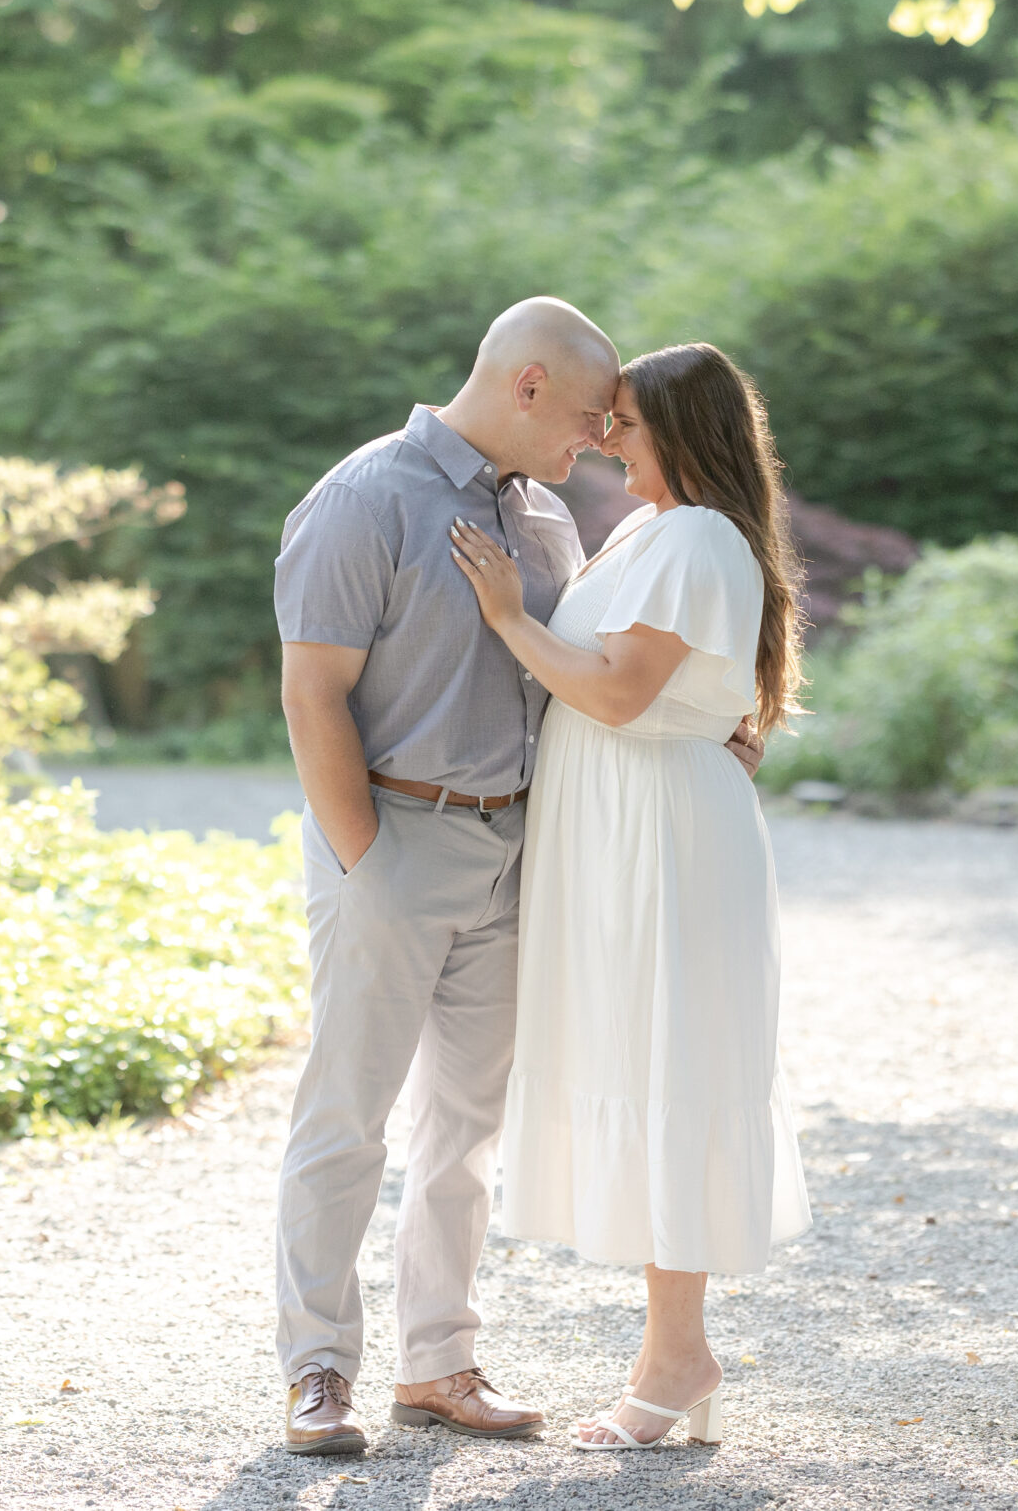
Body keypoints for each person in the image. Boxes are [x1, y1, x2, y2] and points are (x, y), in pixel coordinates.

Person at [269, 300, 762, 1457]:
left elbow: (591, 671)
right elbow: (310, 693)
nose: (598, 444)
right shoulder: (363, 498)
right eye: (593, 418)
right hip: (393, 839)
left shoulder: (540, 520)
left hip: (515, 855)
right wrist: (363, 858)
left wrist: (704, 727)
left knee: (465, 1131)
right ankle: (319, 1372)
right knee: (347, 1114)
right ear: (529, 386)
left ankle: (436, 1363)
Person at [448, 342, 812, 1451]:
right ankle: (677, 1359)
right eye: (607, 422)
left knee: (671, 1072)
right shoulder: (656, 532)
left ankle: (676, 1356)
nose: (607, 441)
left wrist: (510, 618)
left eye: (627, 425)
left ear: (684, 435)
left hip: (658, 836)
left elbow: (615, 692)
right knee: (646, 1067)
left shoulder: (697, 535)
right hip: (628, 825)